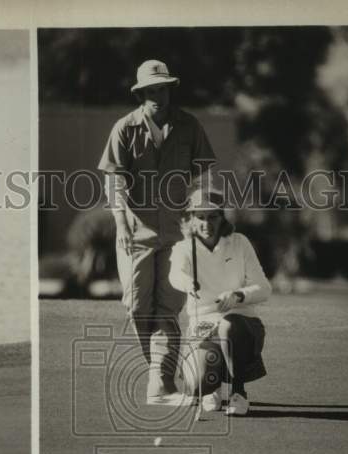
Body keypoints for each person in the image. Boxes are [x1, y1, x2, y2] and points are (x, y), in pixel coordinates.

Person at [98, 59, 215, 405]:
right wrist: (119, 222)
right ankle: (160, 376)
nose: (156, 97)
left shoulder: (189, 126)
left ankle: (161, 384)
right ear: (140, 94)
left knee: (168, 307)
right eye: (149, 91)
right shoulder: (124, 128)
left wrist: (199, 216)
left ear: (169, 90)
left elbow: (201, 178)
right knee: (137, 306)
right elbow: (114, 181)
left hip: (179, 234)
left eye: (161, 89)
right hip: (136, 233)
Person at [169, 187, 272, 415]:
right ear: (192, 219)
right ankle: (211, 389)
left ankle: (238, 392)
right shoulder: (183, 248)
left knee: (228, 326)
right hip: (203, 330)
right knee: (196, 384)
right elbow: (175, 274)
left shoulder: (239, 243)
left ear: (223, 217)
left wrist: (238, 296)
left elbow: (264, 288)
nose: (207, 223)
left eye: (213, 216)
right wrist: (187, 282)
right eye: (200, 217)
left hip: (242, 325)